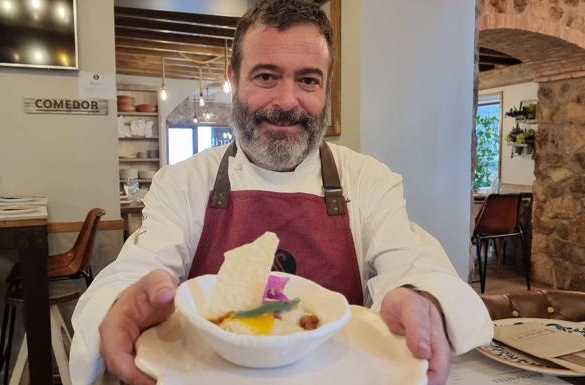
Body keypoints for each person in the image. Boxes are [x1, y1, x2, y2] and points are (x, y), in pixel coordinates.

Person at [70, 1, 493, 384]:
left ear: (327, 88)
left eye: (308, 80)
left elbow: (410, 266)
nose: (287, 101)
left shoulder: (370, 181)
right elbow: (136, 271)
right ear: (233, 78)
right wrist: (121, 303)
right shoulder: (182, 183)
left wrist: (417, 298)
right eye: (266, 76)